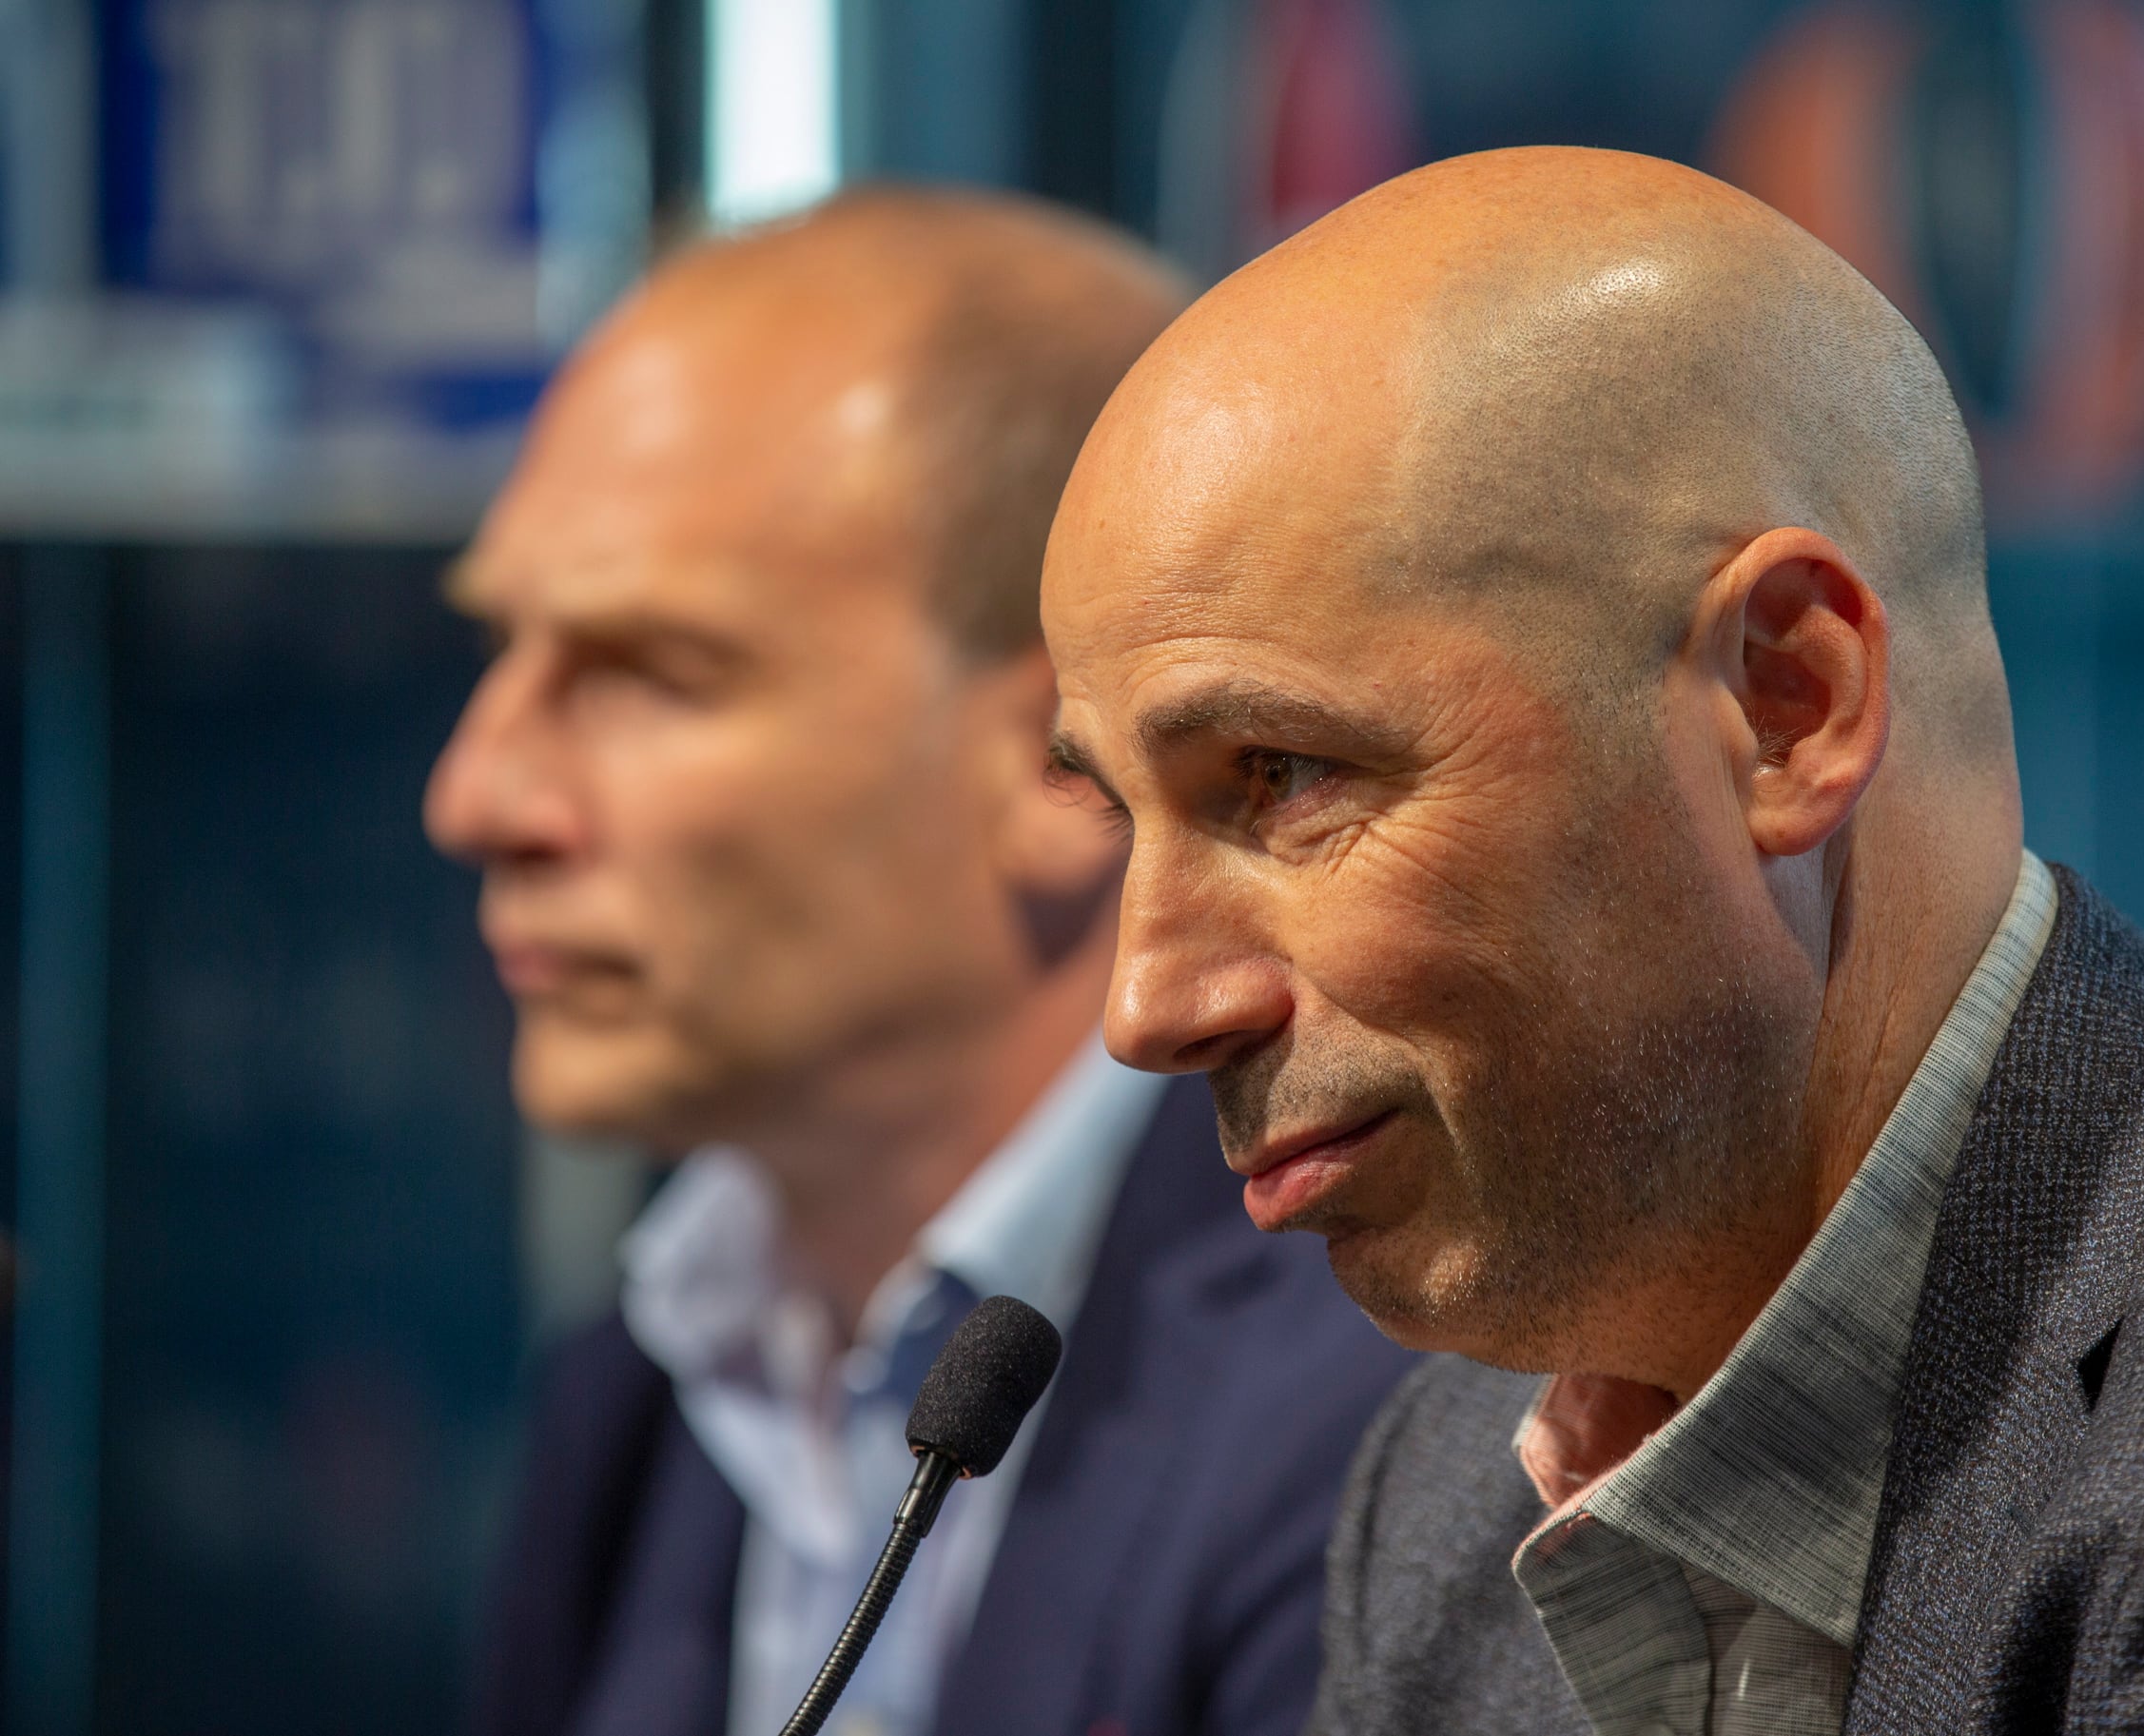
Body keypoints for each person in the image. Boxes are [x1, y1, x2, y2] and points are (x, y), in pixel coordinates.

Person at [1038, 146, 2144, 1734]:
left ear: (1789, 707)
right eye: (1118, 817)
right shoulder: (1441, 1498)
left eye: (1283, 778)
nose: (1149, 1003)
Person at [426, 188, 1412, 1736]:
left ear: (1058, 760)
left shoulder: (1395, 1393)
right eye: (501, 654)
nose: (477, 795)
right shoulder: (632, 1399)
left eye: (647, 675)